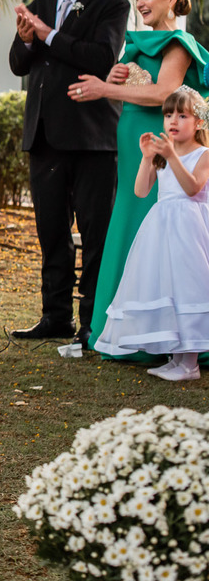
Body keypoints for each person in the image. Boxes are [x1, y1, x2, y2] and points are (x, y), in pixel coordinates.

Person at [66, 0, 209, 352]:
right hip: (132, 141)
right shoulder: (136, 43)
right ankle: (121, 330)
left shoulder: (177, 43)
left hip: (159, 139)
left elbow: (165, 92)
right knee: (130, 216)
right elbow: (134, 86)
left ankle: (160, 339)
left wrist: (104, 87)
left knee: (155, 227)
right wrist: (119, 75)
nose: (141, 3)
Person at [8, 0, 130, 346]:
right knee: (51, 234)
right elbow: (18, 64)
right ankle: (54, 317)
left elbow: (101, 57)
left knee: (96, 234)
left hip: (93, 140)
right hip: (44, 139)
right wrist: (27, 40)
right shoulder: (41, 5)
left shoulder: (112, 4)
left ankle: (92, 323)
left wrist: (48, 36)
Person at [97, 87, 209, 381]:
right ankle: (175, 357)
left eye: (182, 115)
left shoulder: (203, 154)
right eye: (168, 114)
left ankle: (190, 363)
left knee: (188, 287)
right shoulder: (162, 155)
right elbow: (141, 190)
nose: (173, 120)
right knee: (167, 286)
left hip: (190, 229)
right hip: (161, 228)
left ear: (198, 122)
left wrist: (171, 155)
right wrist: (147, 158)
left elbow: (193, 188)